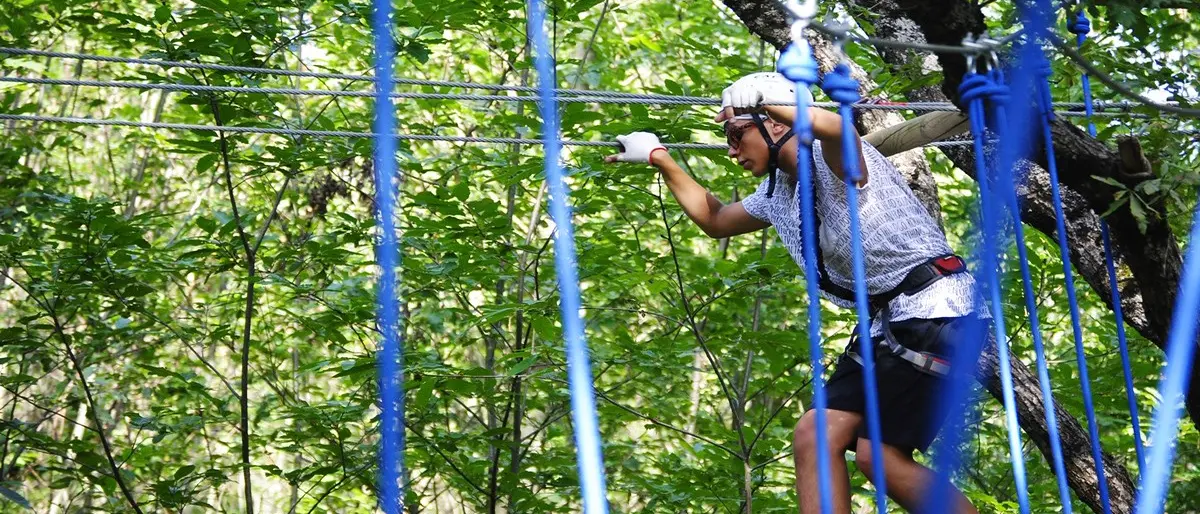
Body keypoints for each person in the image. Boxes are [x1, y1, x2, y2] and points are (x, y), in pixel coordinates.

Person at [605, 72, 981, 514]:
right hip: (891, 323)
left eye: (737, 135)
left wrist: (768, 101)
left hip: (939, 308)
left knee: (878, 457)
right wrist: (659, 157)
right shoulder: (778, 193)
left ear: (775, 124)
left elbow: (837, 129)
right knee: (815, 434)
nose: (731, 151)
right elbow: (716, 220)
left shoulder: (830, 158)